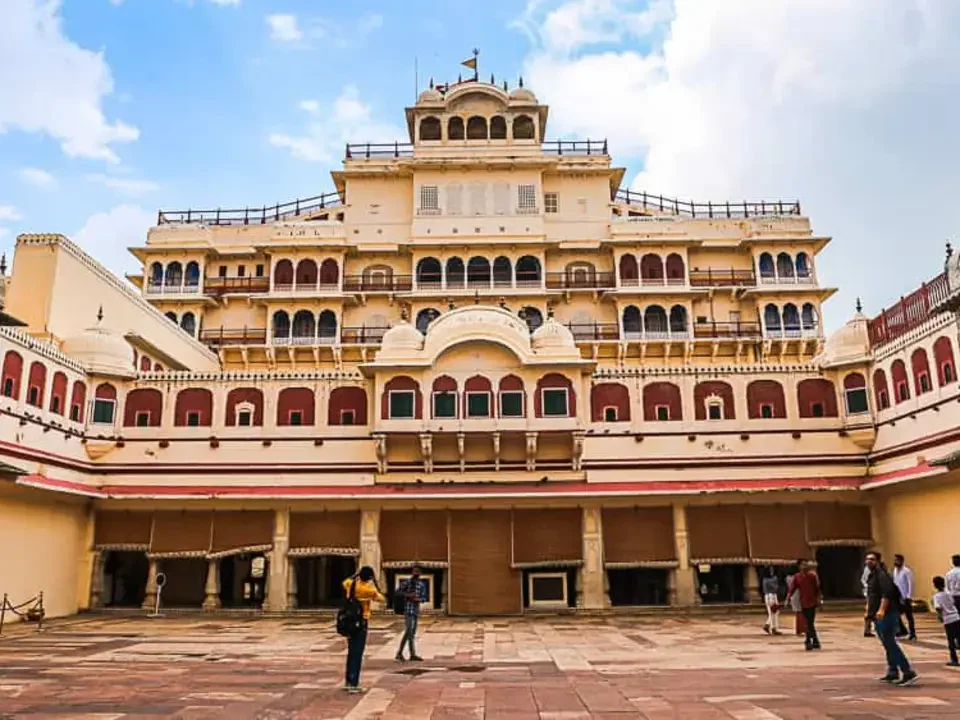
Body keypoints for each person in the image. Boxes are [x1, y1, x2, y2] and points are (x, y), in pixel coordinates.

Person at [865, 551, 917, 686]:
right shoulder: (872, 576)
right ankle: (892, 671)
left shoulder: (882, 575)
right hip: (877, 614)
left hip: (887, 614)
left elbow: (887, 593)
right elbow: (871, 596)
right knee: (887, 643)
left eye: (872, 559)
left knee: (890, 643)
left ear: (877, 561)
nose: (868, 562)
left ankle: (907, 671)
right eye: (867, 559)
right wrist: (869, 612)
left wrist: (882, 609)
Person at [342, 566, 385, 694]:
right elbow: (382, 599)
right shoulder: (368, 589)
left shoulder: (351, 584)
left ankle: (348, 680)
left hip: (349, 621)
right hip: (361, 621)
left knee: (351, 652)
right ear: (370, 577)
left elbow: (344, 582)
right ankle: (354, 683)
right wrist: (376, 584)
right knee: (357, 652)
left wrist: (355, 575)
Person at [786, 558, 821, 650]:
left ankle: (809, 641)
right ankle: (815, 641)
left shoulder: (812, 576)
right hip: (803, 602)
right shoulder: (797, 577)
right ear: (799, 566)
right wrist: (788, 599)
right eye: (803, 564)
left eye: (806, 564)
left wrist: (819, 600)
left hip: (812, 602)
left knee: (810, 623)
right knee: (808, 623)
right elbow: (792, 589)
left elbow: (817, 589)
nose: (805, 566)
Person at [395, 566, 427, 662]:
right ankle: (412, 654)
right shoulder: (406, 583)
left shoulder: (421, 585)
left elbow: (424, 597)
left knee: (410, 633)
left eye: (418, 571)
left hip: (415, 611)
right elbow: (397, 593)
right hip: (407, 610)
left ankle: (400, 653)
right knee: (409, 632)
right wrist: (408, 595)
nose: (416, 573)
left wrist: (418, 599)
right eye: (414, 571)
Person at [892, 554, 916, 641]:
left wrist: (909, 596)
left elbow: (911, 584)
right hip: (897, 597)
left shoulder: (907, 571)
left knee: (909, 616)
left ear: (902, 561)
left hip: (905, 597)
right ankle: (902, 630)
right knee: (895, 614)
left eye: (897, 560)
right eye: (895, 560)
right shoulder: (895, 570)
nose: (895, 562)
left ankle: (912, 633)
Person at [761, 567, 782, 635]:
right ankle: (773, 628)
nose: (772, 571)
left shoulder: (765, 579)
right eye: (770, 570)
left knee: (774, 612)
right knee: (773, 612)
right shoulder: (769, 579)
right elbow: (775, 587)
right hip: (770, 596)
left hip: (770, 595)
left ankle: (768, 625)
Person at [786, 565, 806, 636]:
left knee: (798, 613)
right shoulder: (796, 577)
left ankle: (799, 629)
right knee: (800, 612)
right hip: (797, 594)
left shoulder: (787, 578)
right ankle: (801, 629)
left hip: (793, 595)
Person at [861, 561, 874, 637]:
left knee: (870, 611)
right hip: (870, 593)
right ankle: (867, 630)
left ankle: (868, 629)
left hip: (874, 593)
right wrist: (868, 586)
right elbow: (863, 579)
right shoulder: (867, 569)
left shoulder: (878, 570)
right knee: (869, 611)